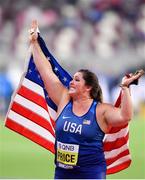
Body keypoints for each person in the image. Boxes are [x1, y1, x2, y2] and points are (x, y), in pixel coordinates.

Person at [29, 20, 144, 179]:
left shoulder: (100, 110)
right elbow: (45, 71)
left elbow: (126, 116)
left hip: (91, 174)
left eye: (77, 80)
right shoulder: (64, 100)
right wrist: (35, 42)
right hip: (62, 173)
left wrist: (125, 89)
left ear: (88, 87)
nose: (71, 82)